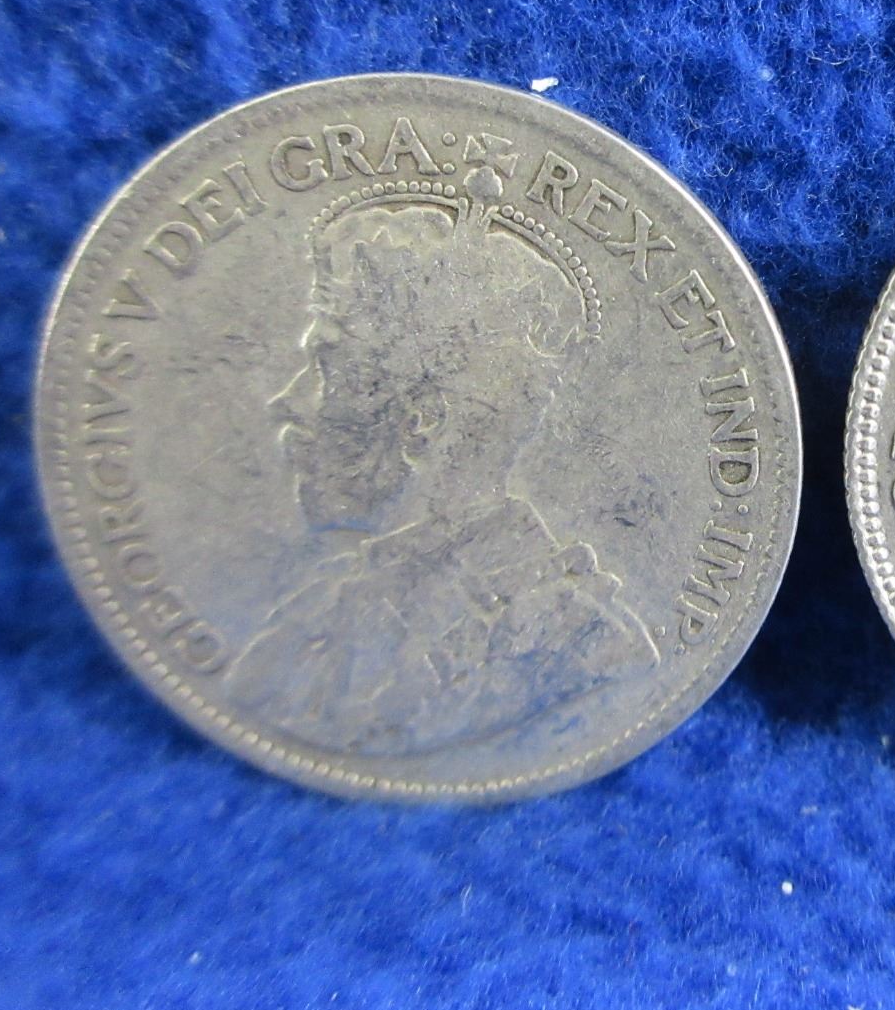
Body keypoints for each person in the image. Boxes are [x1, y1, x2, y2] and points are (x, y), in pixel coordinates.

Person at [228, 176, 656, 757]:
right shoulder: (326, 604)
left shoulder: (573, 642)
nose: (288, 402)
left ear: (420, 423)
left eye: (326, 369)